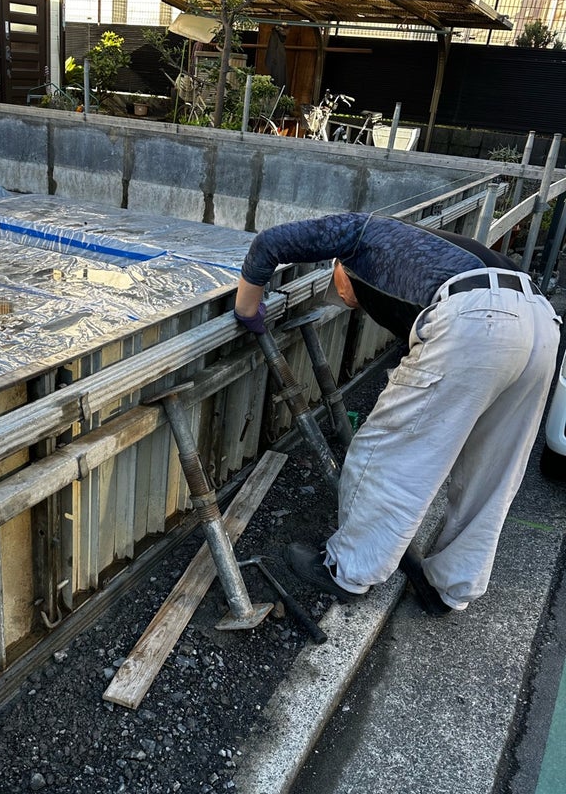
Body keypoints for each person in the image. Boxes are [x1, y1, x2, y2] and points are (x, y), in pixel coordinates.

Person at [234, 212, 562, 613]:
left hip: (478, 318)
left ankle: (346, 571)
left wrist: (247, 308)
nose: (348, 301)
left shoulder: (359, 234)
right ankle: (452, 588)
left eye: (342, 292)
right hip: (540, 321)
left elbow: (269, 242)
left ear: (341, 266)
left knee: (386, 454)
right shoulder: (416, 254)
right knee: (493, 470)